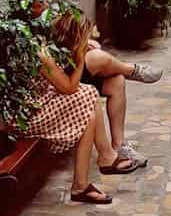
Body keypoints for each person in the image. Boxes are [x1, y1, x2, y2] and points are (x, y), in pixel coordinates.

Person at [24, 13, 141, 204]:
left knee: (89, 100)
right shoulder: (43, 54)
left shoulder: (51, 47)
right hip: (30, 116)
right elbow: (69, 87)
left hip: (41, 103)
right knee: (87, 94)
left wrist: (84, 49)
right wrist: (80, 58)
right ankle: (100, 164)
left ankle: (83, 182)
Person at [51, 16, 161, 164]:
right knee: (97, 57)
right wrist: (81, 52)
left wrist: (84, 44)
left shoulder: (51, 9)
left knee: (116, 81)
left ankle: (119, 145)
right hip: (60, 85)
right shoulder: (32, 23)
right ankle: (133, 70)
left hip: (69, 71)